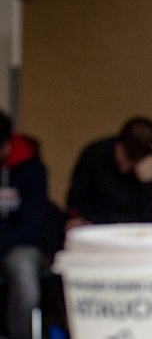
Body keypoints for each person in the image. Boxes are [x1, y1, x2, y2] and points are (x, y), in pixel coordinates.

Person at [1, 110, 50, 339]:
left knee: (24, 278)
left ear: (6, 146)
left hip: (19, 244)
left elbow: (32, 225)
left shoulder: (31, 168)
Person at [64, 116, 152, 229]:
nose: (126, 167)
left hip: (132, 231)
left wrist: (147, 183)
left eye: (133, 162)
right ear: (118, 143)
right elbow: (76, 199)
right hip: (93, 225)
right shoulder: (95, 154)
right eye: (126, 156)